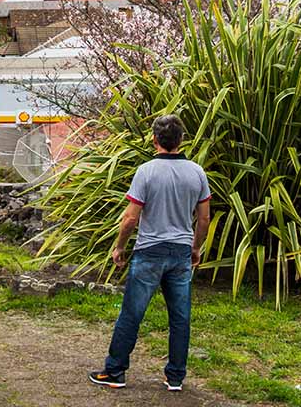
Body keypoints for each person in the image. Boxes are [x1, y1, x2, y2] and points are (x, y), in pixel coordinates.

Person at [89, 115, 211, 393]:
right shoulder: (197, 172)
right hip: (181, 252)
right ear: (181, 140)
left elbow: (130, 218)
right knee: (180, 317)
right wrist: (195, 247)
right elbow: (203, 219)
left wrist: (119, 246)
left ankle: (116, 371)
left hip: (149, 251)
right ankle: (175, 377)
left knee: (132, 313)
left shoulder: (146, 171)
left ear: (154, 140)